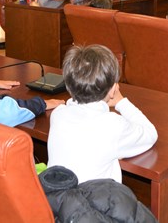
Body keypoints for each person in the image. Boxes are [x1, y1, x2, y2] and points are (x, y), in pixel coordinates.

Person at [47, 44, 158, 183]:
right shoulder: (112, 124)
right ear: (113, 90)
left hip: (56, 200)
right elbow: (150, 134)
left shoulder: (58, 114)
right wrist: (121, 102)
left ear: (68, 85)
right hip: (93, 203)